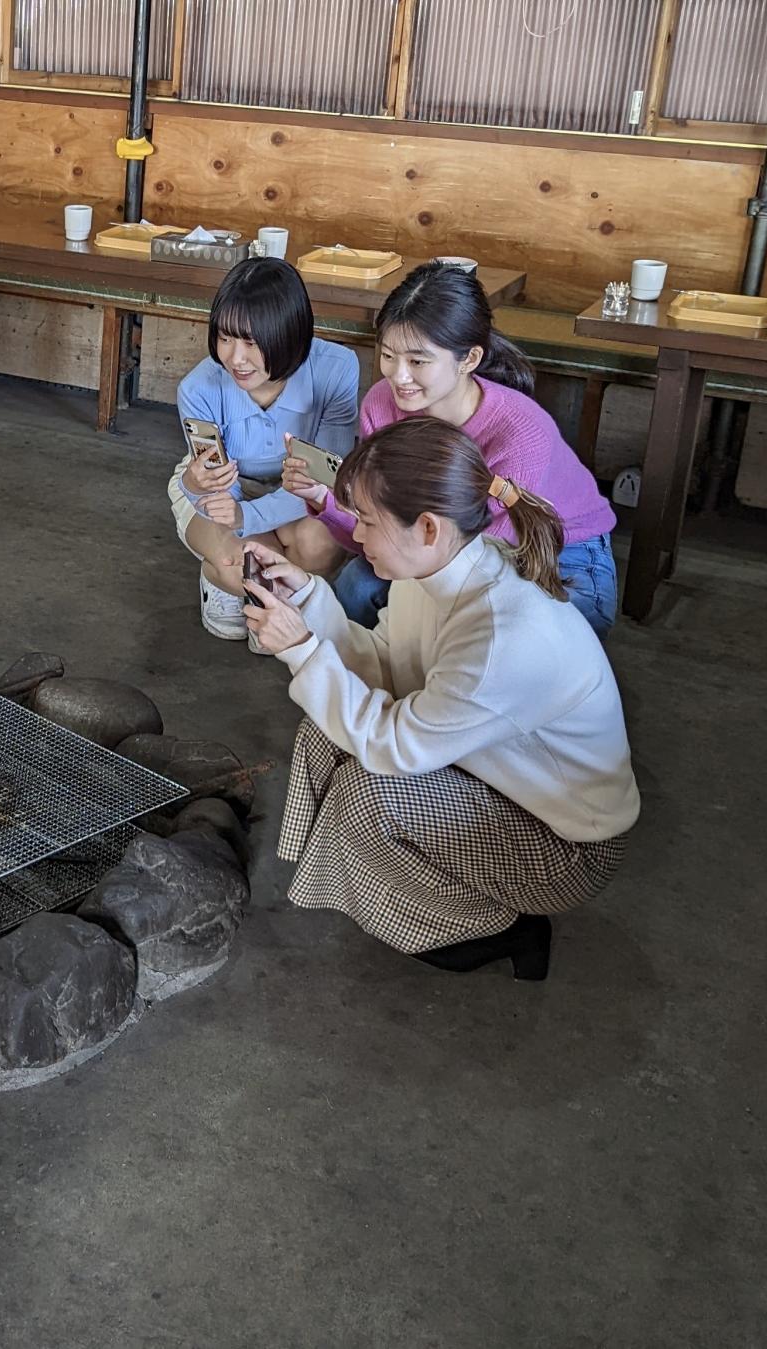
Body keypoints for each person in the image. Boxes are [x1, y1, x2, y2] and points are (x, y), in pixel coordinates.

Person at [243, 419, 639, 979]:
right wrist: (307, 601)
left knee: (370, 789)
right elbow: (388, 666)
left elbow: (394, 747)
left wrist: (303, 650)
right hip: (506, 786)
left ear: (427, 528)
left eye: (367, 521)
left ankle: (496, 924)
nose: (354, 535)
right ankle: (399, 899)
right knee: (325, 728)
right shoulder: (438, 567)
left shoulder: (503, 635)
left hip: (566, 847)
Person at [280, 262, 620, 636]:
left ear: (469, 359)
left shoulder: (519, 432)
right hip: (433, 542)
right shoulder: (381, 405)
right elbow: (372, 536)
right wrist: (325, 501)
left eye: (418, 361)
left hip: (558, 551)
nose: (398, 375)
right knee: (357, 589)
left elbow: (478, 567)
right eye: (389, 355)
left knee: (515, 637)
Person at [167, 257, 359, 647]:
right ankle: (235, 585)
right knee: (240, 562)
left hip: (302, 493)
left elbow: (326, 478)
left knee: (318, 544)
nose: (236, 358)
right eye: (225, 337)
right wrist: (197, 485)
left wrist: (250, 516)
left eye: (252, 342)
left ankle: (267, 600)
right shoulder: (199, 387)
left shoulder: (336, 369)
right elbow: (219, 491)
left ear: (290, 335)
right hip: (230, 494)